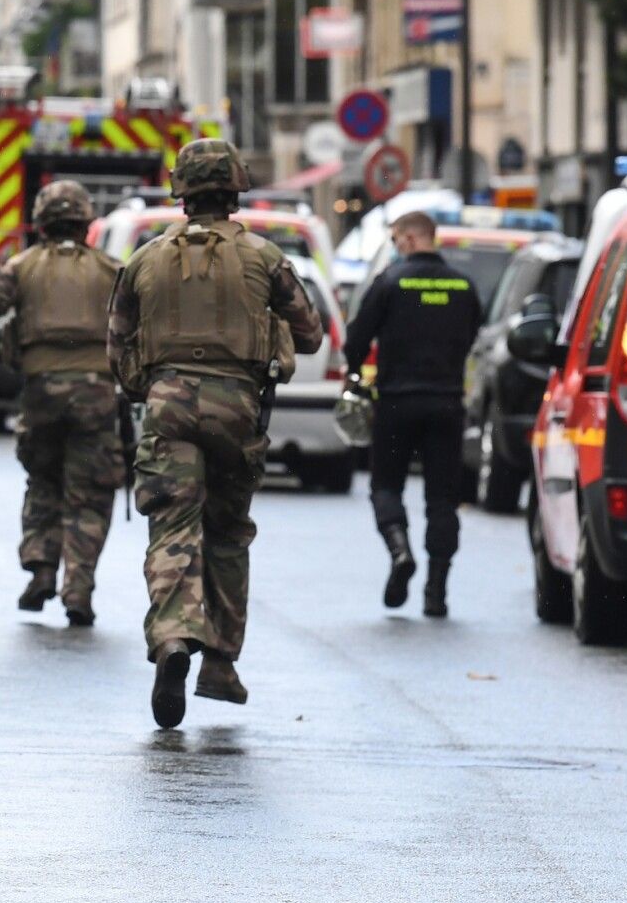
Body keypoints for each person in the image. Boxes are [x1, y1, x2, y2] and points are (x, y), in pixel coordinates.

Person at [107, 138, 324, 729]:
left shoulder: (145, 258)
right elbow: (310, 334)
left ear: (181, 193)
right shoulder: (265, 257)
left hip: (168, 404)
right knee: (227, 533)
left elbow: (117, 347)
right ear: (235, 190)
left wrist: (146, 387)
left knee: (172, 527)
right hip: (238, 408)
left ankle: (175, 637)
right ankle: (222, 665)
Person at [0, 180, 124, 626]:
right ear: (86, 222)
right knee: (89, 492)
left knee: (42, 480)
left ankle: (40, 569)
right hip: (96, 392)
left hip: (40, 390)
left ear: (41, 222)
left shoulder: (21, 266)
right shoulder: (111, 269)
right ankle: (78, 587)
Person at [343, 210, 481, 618]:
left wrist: (355, 372)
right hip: (446, 403)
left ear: (407, 238)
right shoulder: (463, 285)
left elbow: (356, 338)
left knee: (386, 485)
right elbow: (472, 334)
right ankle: (437, 591)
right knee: (443, 499)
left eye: (395, 239)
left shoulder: (390, 282)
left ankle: (399, 550)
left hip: (396, 402)